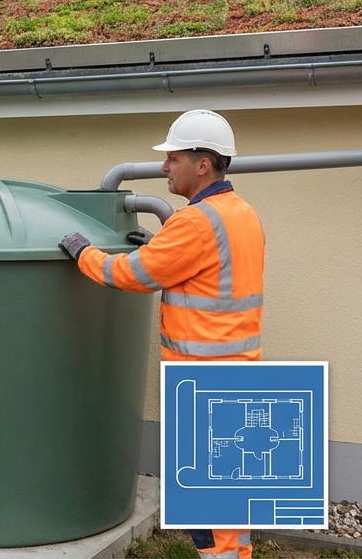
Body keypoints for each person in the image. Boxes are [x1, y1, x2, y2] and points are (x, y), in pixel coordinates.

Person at [60, 109, 263, 559]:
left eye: (172, 159)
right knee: (232, 502)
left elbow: (128, 275)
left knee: (207, 514)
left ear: (202, 164)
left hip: (204, 385)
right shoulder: (241, 214)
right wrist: (159, 246)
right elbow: (208, 273)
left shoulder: (194, 223)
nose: (164, 167)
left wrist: (82, 253)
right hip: (239, 377)